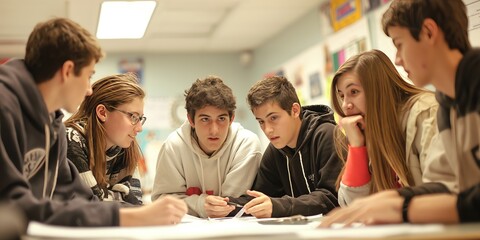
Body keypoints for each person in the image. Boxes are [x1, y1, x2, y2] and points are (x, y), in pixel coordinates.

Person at [0, 17, 187, 227]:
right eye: (89, 76)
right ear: (68, 70)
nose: (89, 90)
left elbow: (77, 199)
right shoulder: (5, 108)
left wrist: (145, 213)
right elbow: (11, 207)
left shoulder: (53, 127)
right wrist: (129, 217)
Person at [320, 0, 479, 226]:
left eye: (399, 44)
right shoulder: (447, 102)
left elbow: (454, 199)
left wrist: (403, 208)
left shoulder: (430, 108)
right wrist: (395, 198)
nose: (397, 59)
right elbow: (443, 185)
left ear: (428, 32)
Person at [330, 49, 449, 207]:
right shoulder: (366, 130)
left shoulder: (424, 113)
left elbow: (443, 194)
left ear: (378, 89)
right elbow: (353, 206)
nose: (346, 105)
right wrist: (357, 147)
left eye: (354, 92)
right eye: (342, 95)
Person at [229, 76, 342, 218]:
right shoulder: (276, 149)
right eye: (261, 122)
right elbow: (262, 197)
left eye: (273, 118)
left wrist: (279, 206)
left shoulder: (327, 135)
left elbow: (332, 198)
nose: (267, 130)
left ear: (295, 110)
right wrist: (228, 205)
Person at [151, 76, 262, 218]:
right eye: (205, 119)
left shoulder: (246, 144)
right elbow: (161, 201)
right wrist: (199, 205)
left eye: (221, 119)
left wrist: (196, 205)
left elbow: (229, 205)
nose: (214, 130)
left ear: (232, 118)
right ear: (191, 120)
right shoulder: (173, 146)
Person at [65, 73, 145, 205]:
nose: (139, 128)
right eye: (133, 117)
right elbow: (92, 206)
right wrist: (118, 196)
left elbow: (135, 202)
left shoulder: (124, 146)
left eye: (140, 119)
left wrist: (105, 196)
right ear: (102, 113)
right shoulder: (71, 140)